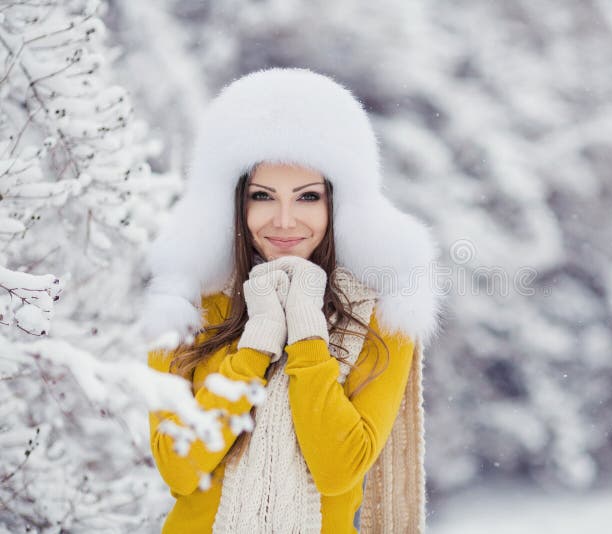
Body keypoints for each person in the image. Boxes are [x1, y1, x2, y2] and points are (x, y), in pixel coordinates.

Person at [138, 68, 443, 533]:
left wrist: (305, 329)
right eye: (263, 196)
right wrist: (255, 346)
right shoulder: (187, 307)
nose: (284, 220)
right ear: (235, 202)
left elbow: (338, 469)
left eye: (307, 197)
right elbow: (180, 469)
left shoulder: (380, 319)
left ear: (337, 203)